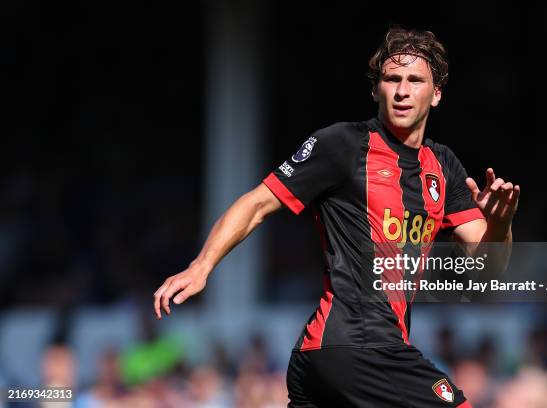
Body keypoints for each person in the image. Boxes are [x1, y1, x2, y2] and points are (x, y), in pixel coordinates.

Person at [153, 27, 520, 407]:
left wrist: (500, 223)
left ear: (436, 93)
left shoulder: (443, 166)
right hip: (357, 344)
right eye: (391, 79)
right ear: (375, 90)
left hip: (332, 356)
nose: (402, 91)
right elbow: (257, 204)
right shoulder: (343, 145)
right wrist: (201, 266)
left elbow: (489, 269)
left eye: (415, 80)